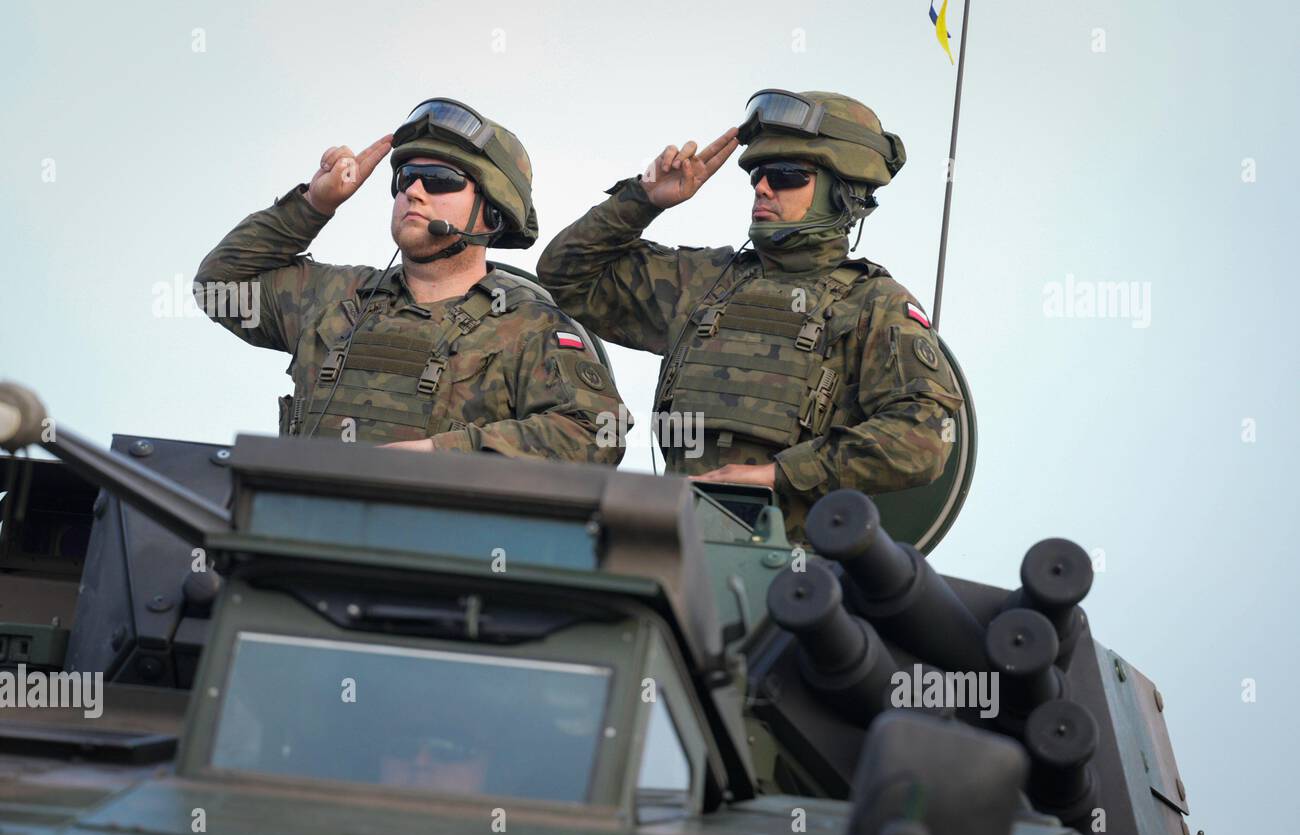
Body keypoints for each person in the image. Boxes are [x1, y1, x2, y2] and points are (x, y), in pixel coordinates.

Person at [537, 90, 963, 539]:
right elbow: (566, 275)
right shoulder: (704, 281)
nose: (762, 187)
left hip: (797, 575)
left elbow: (925, 437)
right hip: (673, 544)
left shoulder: (874, 304)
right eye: (758, 175)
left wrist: (779, 475)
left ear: (843, 193)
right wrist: (644, 198)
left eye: (785, 176)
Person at [193, 97, 625, 465]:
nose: (413, 192)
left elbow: (596, 433)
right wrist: (314, 204)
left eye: (439, 181)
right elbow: (219, 286)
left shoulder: (532, 326)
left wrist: (442, 455)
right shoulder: (333, 297)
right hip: (305, 539)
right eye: (405, 178)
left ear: (493, 212)